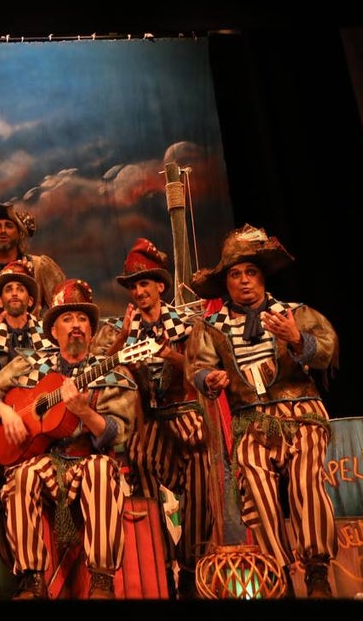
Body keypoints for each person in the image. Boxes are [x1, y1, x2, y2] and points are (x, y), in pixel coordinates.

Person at [184, 224, 339, 598]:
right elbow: (196, 366)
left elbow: (327, 350)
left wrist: (297, 339)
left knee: (305, 480)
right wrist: (210, 377)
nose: (244, 282)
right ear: (227, 284)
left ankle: (316, 569)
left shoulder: (293, 313)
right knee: (255, 486)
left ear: (262, 277)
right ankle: (276, 571)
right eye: (235, 275)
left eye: (250, 272)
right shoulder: (213, 326)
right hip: (250, 419)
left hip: (300, 411)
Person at [0, 278, 139, 599]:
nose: (76, 325)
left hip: (87, 461)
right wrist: (6, 412)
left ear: (92, 332)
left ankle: (101, 581)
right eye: (67, 318)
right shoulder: (31, 365)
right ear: (53, 331)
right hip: (43, 461)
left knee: (101, 472)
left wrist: (85, 413)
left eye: (82, 319)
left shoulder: (112, 372)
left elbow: (118, 435)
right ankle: (31, 580)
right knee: (21, 477)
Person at [91, 237, 213, 598]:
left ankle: (190, 568)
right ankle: (159, 567)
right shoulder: (119, 329)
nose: (140, 291)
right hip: (146, 423)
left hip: (184, 418)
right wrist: (124, 339)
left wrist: (172, 357)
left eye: (145, 283)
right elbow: (97, 370)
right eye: (134, 285)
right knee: (144, 482)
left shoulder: (187, 324)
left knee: (199, 487)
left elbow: (204, 367)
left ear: (160, 286)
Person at [0, 259, 52, 531]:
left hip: (40, 423)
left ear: (30, 300)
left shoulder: (48, 336)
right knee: (0, 493)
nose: (15, 293)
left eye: (20, 288)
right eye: (8, 289)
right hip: (1, 426)